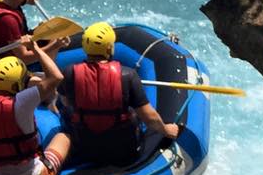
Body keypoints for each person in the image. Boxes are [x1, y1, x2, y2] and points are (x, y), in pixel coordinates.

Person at [59, 22, 181, 166]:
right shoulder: (127, 75)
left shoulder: (69, 72)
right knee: (132, 112)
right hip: (122, 149)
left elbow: (65, 102)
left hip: (84, 146)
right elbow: (149, 116)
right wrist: (166, 130)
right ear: (110, 47)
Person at [0, 44, 71, 175]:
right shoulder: (22, 102)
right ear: (18, 83)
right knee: (64, 137)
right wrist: (35, 49)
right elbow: (56, 77)